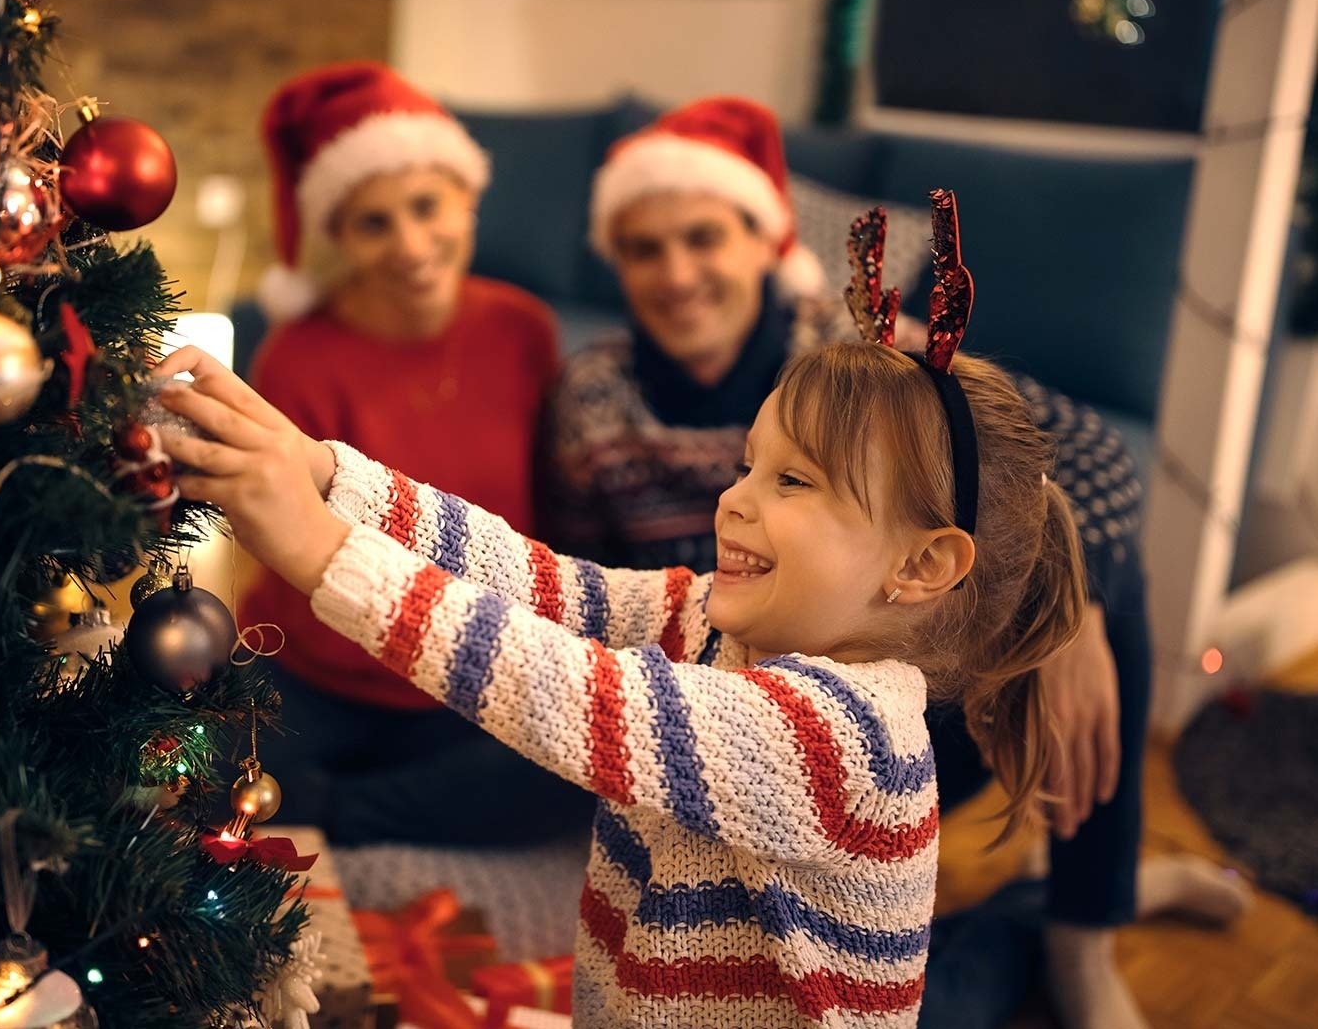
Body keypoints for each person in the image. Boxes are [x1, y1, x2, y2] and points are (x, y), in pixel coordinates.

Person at [148, 224, 1089, 1027]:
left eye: (792, 482)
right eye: (750, 464)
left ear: (921, 566)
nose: (736, 501)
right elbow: (540, 585)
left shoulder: (843, 739)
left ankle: (1026, 931)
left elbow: (569, 689)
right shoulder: (717, 624)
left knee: (969, 987)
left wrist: (320, 549)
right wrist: (323, 473)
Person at [543, 97, 1249, 1028]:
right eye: (642, 248)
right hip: (717, 723)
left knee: (1101, 571)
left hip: (897, 716)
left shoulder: (861, 365)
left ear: (764, 238)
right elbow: (578, 586)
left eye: (703, 237)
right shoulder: (592, 399)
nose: (675, 273)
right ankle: (1048, 916)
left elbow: (1083, 455)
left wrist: (1069, 612)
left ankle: (1085, 929)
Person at [239, 61, 591, 845]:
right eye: (373, 223)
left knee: (577, 777)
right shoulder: (296, 358)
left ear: (467, 200)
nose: (410, 245)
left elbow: (554, 514)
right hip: (317, 673)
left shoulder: (524, 331)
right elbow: (288, 544)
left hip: (468, 677)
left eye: (427, 206)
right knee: (207, 775)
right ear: (337, 238)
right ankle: (367, 800)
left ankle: (336, 811)